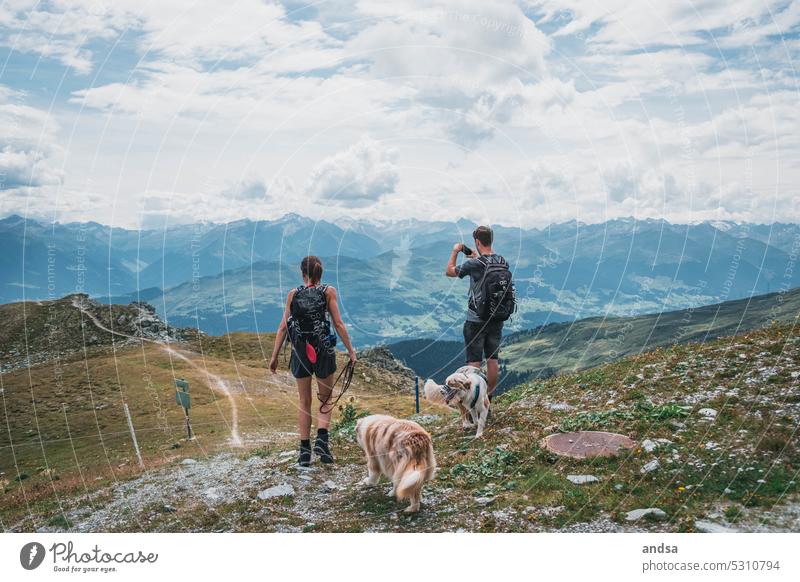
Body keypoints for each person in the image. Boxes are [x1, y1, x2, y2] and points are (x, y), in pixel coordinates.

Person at [269, 256, 357, 467]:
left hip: (300, 351)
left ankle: (304, 452)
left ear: (303, 274)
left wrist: (274, 357)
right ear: (320, 274)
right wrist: (351, 351)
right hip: (323, 350)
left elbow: (283, 327)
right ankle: (322, 442)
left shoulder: (293, 294)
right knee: (325, 399)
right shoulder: (328, 292)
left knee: (304, 401)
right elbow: (338, 324)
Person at [445, 225, 508, 400]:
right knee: (492, 360)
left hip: (476, 320)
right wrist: (475, 256)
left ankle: (474, 400)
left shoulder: (474, 264)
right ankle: (489, 397)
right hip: (496, 318)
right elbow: (486, 264)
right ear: (491, 240)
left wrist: (456, 251)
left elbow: (449, 271)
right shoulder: (502, 261)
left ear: (477, 241)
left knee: (473, 363)